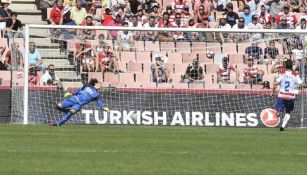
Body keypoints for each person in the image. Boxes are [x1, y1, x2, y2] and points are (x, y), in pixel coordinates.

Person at [272, 59, 307, 131]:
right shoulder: (295, 74)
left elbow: (275, 84)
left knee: (278, 108)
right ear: (292, 66)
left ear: (285, 66)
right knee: (288, 112)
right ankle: (282, 126)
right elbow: (302, 84)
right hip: (291, 95)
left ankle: (279, 111)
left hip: (282, 95)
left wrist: (273, 91)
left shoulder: (282, 73)